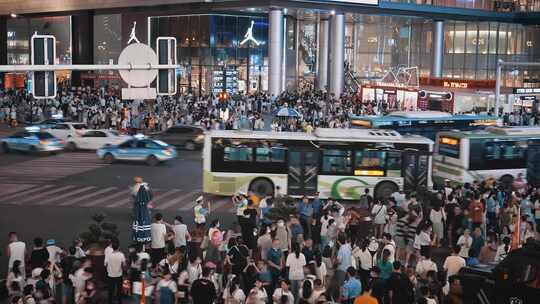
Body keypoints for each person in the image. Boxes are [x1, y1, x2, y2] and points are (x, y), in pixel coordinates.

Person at [104, 240, 125, 304]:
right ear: (118, 247)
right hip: (119, 275)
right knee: (119, 289)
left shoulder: (109, 255)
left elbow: (105, 264)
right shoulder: (121, 255)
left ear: (112, 247)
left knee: (111, 290)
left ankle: (109, 302)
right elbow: (123, 265)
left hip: (110, 275)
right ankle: (119, 301)